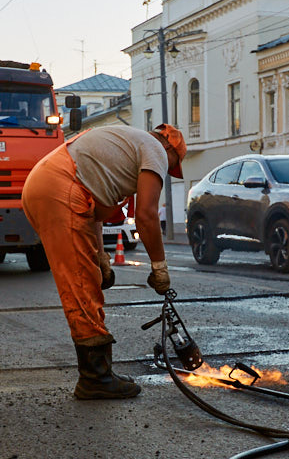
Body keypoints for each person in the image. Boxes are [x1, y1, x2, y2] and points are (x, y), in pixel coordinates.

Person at [22, 123, 187, 400]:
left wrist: (100, 256)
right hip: (62, 188)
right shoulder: (155, 149)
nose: (166, 172)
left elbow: (93, 204)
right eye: (173, 165)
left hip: (46, 184)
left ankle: (98, 373)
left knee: (86, 278)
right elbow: (146, 216)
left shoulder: (124, 144)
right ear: (169, 146)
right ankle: (95, 378)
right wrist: (159, 267)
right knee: (81, 285)